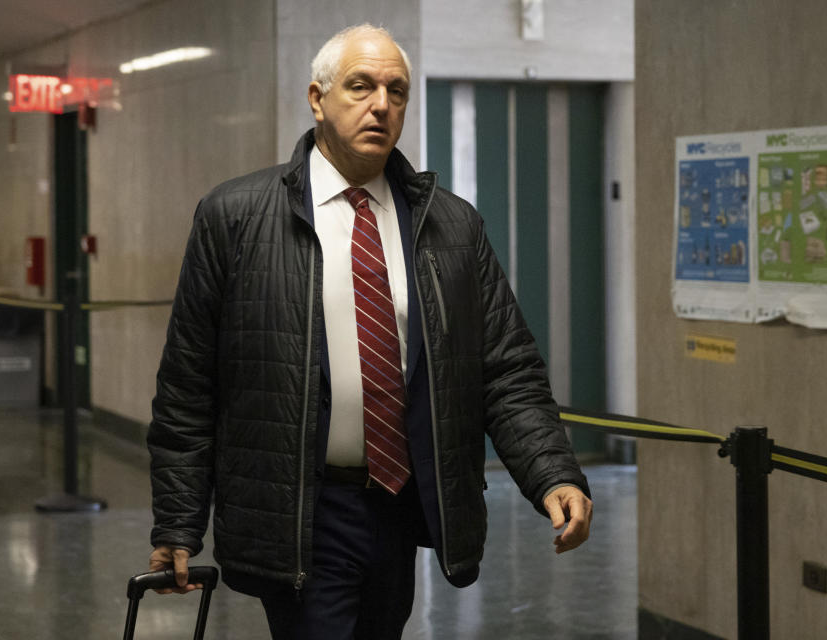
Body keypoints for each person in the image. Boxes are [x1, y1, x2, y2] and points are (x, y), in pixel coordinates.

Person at [147, 23, 593, 640]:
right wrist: (177, 522)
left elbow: (506, 368)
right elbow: (188, 386)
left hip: (401, 506)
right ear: (317, 98)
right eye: (360, 86)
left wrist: (554, 474)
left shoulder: (452, 227)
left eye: (397, 90)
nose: (381, 104)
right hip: (301, 508)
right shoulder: (235, 217)